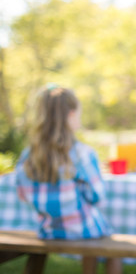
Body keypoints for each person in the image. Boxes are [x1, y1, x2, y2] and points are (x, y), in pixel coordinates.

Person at [15, 85, 122, 274]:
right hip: (82, 230)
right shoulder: (82, 153)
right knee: (112, 248)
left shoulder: (27, 156)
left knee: (92, 231)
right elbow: (97, 196)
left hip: (47, 230)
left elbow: (22, 194)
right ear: (71, 115)